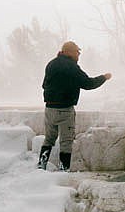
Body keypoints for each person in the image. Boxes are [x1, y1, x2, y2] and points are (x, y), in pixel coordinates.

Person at [37, 41, 112, 171]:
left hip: (49, 109)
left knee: (48, 139)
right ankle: (63, 170)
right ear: (70, 52)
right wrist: (103, 78)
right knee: (66, 142)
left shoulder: (51, 64)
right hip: (65, 110)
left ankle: (41, 166)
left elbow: (44, 85)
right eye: (77, 52)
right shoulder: (71, 67)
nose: (78, 55)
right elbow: (88, 84)